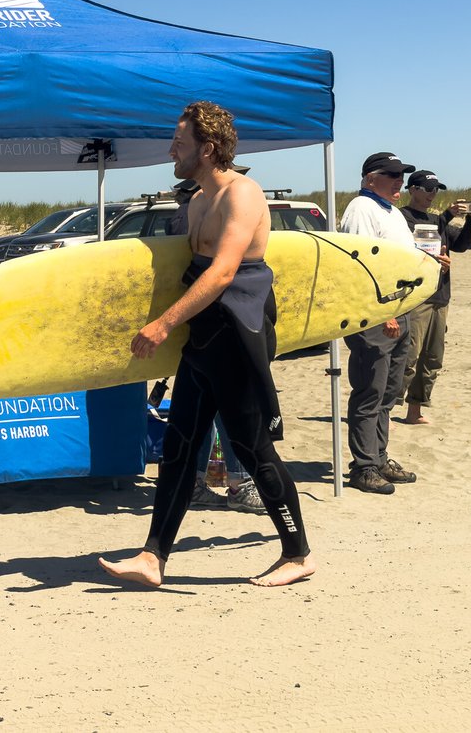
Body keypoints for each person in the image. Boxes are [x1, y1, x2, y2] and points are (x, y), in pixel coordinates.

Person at [98, 101, 314, 588]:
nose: (171, 150)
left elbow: (223, 272)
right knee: (180, 446)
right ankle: (153, 557)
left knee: (252, 448)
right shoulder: (195, 202)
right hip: (204, 335)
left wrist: (161, 326)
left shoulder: (243, 193)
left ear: (208, 148)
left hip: (237, 330)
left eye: (179, 143)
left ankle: (298, 554)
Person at [165, 180, 266, 515]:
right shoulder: (196, 213)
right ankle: (239, 483)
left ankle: (195, 483)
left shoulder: (192, 213)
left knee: (199, 417)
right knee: (227, 411)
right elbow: (219, 272)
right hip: (216, 324)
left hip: (196, 326)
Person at [338, 152, 422, 494]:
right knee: (370, 390)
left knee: (388, 392)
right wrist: (380, 312)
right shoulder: (361, 208)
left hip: (403, 308)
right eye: (392, 175)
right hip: (376, 314)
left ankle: (379, 456)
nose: (398, 181)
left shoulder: (391, 212)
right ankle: (364, 466)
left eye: (401, 175)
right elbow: (360, 266)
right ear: (370, 177)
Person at [397, 170, 471, 424]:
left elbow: (461, 245)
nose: (433, 194)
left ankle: (415, 411)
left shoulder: (437, 220)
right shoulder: (401, 217)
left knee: (431, 360)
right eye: (428, 189)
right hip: (416, 298)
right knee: (408, 357)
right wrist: (447, 216)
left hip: (440, 296)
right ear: (413, 190)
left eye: (437, 190)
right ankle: (385, 409)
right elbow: (416, 244)